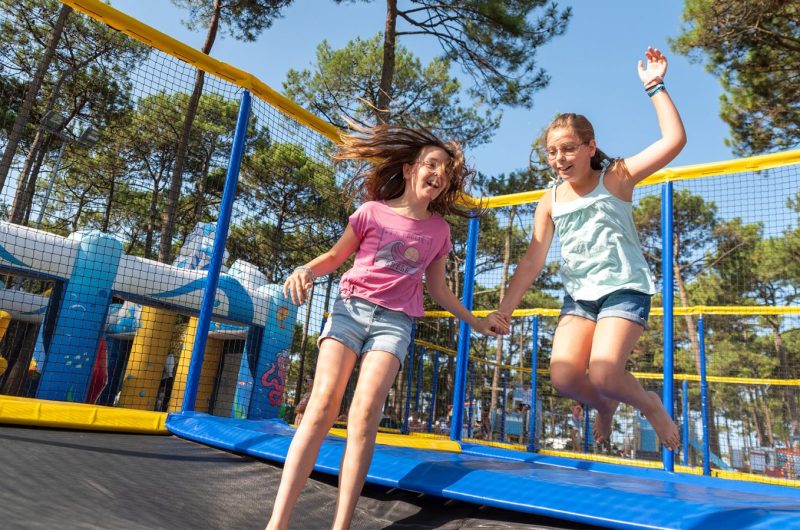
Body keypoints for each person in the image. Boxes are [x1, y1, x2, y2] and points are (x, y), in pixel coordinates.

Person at [267, 123, 498, 530]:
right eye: (432, 164)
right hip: (350, 310)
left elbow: (440, 290)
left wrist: (476, 321)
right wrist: (305, 268)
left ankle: (341, 526)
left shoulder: (439, 231)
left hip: (394, 323)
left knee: (365, 414)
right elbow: (335, 257)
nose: (439, 174)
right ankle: (278, 523)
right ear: (410, 170)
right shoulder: (370, 212)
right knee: (322, 407)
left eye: (446, 170)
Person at [487, 48, 684, 451]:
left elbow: (674, 140)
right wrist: (504, 309)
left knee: (606, 372)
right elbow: (532, 260)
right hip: (580, 297)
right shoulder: (550, 200)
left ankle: (650, 405)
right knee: (564, 378)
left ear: (591, 147)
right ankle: (605, 408)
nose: (560, 158)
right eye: (553, 151)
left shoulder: (616, 178)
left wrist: (655, 86)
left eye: (569, 148)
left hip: (624, 288)